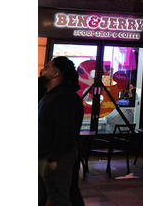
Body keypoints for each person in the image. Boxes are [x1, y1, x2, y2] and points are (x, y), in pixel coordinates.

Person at [39, 56, 83, 206]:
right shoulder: (50, 94)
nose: (42, 70)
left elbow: (65, 128)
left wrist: (54, 157)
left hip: (55, 157)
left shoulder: (62, 96)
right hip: (46, 154)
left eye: (46, 68)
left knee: (59, 198)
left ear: (55, 74)